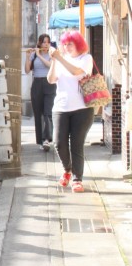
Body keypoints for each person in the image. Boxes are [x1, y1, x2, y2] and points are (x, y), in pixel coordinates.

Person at [47, 30, 94, 193]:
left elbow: (76, 72)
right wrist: (54, 60)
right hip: (61, 107)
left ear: (78, 44)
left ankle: (77, 178)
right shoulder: (60, 59)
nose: (67, 47)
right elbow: (51, 79)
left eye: (70, 44)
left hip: (82, 108)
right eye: (65, 44)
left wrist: (59, 57)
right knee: (58, 143)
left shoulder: (86, 59)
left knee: (77, 144)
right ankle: (67, 169)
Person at [25, 34, 56, 151]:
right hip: (37, 84)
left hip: (50, 84)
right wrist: (28, 57)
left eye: (48, 42)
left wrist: (39, 55)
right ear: (39, 43)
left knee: (48, 112)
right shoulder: (34, 54)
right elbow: (27, 70)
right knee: (38, 114)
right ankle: (41, 140)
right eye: (44, 42)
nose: (46, 44)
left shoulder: (52, 54)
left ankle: (47, 138)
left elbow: (50, 65)